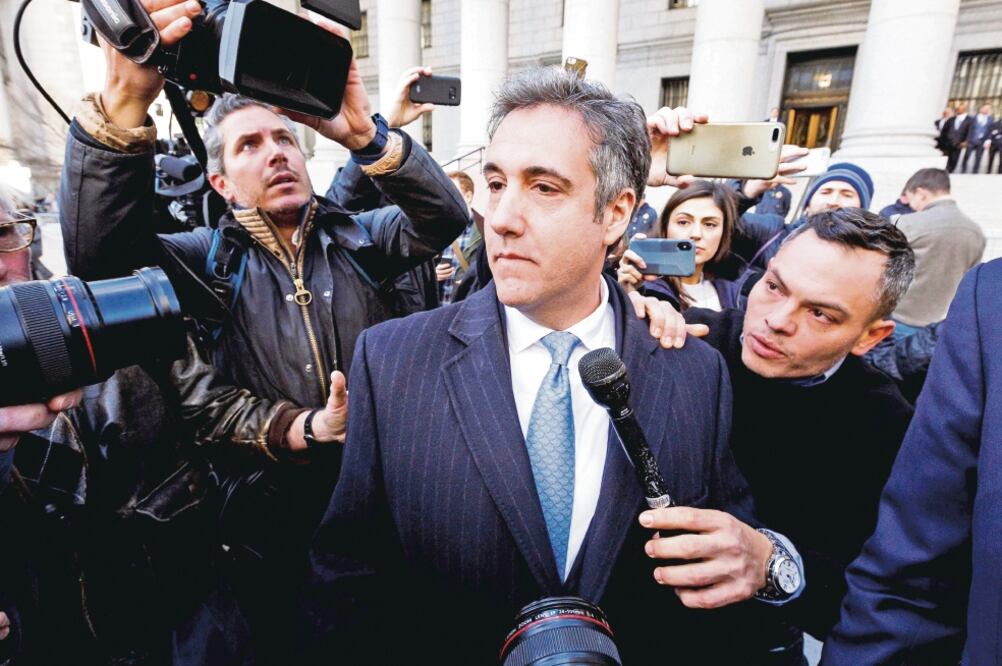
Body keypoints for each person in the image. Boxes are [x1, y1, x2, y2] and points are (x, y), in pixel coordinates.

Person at [305, 68, 806, 665]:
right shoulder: (393, 361)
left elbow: (728, 566)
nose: (502, 217)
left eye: (544, 187)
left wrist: (769, 564)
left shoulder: (695, 373)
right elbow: (347, 581)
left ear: (616, 213)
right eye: (496, 183)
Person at [58, 2, 469, 661]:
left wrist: (365, 135)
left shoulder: (364, 237)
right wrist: (123, 107)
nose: (275, 152)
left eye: (284, 139)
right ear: (220, 183)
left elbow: (444, 217)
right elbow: (101, 260)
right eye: (250, 145)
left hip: (385, 504)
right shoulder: (202, 263)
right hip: (263, 525)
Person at [681, 207, 916, 645]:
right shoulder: (685, 340)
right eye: (774, 287)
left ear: (870, 336)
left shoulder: (886, 428)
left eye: (821, 314)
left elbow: (879, 595)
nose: (777, 320)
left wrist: (774, 565)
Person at [821, 258, 1002, 665]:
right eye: (773, 287)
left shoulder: (880, 406)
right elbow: (915, 568)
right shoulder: (991, 299)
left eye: (823, 313)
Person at [618, 179, 760, 311]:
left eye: (710, 224)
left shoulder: (741, 288)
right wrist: (627, 294)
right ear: (665, 227)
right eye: (683, 222)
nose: (696, 234)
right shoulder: (645, 288)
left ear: (724, 232)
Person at [892, 168, 985, 335]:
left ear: (921, 194)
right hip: (942, 324)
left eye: (911, 198)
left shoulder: (907, 223)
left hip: (901, 317)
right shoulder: (976, 232)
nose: (911, 205)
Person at [733, 161, 875, 271]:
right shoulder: (771, 233)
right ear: (807, 205)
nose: (833, 201)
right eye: (826, 192)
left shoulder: (870, 262)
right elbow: (725, 225)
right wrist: (742, 194)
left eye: (847, 195)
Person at [437, 170, 484, 303]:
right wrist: (432, 276)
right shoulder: (434, 229)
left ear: (468, 196)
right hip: (437, 310)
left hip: (469, 308)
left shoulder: (487, 231)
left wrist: (471, 280)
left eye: (450, 192)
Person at [961, 103, 993, 173]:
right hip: (971, 140)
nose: (986, 110)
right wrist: (966, 140)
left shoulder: (990, 119)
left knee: (978, 157)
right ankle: (963, 169)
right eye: (985, 108)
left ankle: (975, 171)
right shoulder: (973, 118)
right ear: (981, 109)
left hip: (982, 141)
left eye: (988, 109)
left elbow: (990, 131)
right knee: (967, 156)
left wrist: (988, 141)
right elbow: (968, 130)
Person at [943, 102, 972, 173]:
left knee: (954, 158)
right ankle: (946, 170)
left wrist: (966, 141)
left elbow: (970, 131)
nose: (958, 110)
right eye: (957, 109)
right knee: (947, 158)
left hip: (959, 143)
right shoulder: (951, 119)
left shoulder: (970, 120)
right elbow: (945, 130)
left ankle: (951, 170)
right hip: (948, 142)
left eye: (960, 109)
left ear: (964, 109)